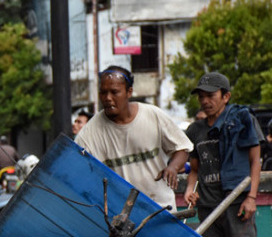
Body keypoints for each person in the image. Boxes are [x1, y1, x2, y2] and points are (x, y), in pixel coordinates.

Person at [75, 65, 193, 209]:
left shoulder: (153, 115)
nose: (108, 98)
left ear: (129, 92)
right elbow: (77, 172)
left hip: (161, 210)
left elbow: (182, 148)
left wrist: (173, 167)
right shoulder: (89, 133)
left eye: (114, 92)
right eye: (103, 92)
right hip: (120, 219)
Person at [184, 72, 261, 237]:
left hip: (236, 204)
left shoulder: (242, 120)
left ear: (225, 96)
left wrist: (251, 197)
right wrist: (189, 191)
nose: (205, 101)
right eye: (201, 96)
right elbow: (194, 169)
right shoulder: (195, 130)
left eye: (211, 96)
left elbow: (255, 162)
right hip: (208, 208)